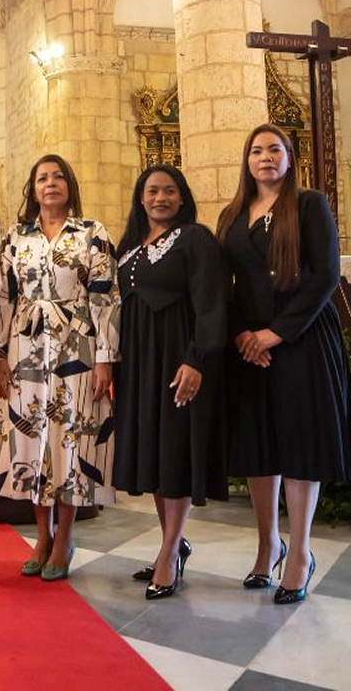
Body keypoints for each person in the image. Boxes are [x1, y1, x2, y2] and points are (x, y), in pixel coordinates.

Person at [216, 123, 351, 605]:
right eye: (256, 150)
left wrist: (275, 333)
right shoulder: (232, 214)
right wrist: (242, 334)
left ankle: (299, 553)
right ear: (246, 160)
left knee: (297, 446)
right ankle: (267, 544)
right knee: (259, 447)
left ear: (289, 157)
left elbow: (326, 275)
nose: (265, 157)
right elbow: (223, 283)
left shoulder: (310, 205)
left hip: (301, 341)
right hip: (249, 346)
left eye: (274, 149)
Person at [0, 154, 119, 582]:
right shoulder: (16, 236)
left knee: (70, 439)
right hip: (25, 347)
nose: (50, 183)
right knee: (31, 442)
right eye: (42, 177)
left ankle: (64, 537)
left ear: (69, 185)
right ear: (33, 187)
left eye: (58, 176)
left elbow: (105, 297)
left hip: (75, 347)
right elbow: (3, 299)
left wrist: (104, 358)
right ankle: (41, 536)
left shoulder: (92, 233)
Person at [112, 165, 228, 599]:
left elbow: (212, 302)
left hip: (176, 359)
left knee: (174, 450)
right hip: (139, 363)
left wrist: (196, 360)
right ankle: (172, 545)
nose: (160, 198)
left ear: (182, 198)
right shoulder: (129, 247)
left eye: (169, 191)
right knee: (156, 455)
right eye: (152, 191)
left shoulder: (195, 239)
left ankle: (167, 554)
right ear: (140, 198)